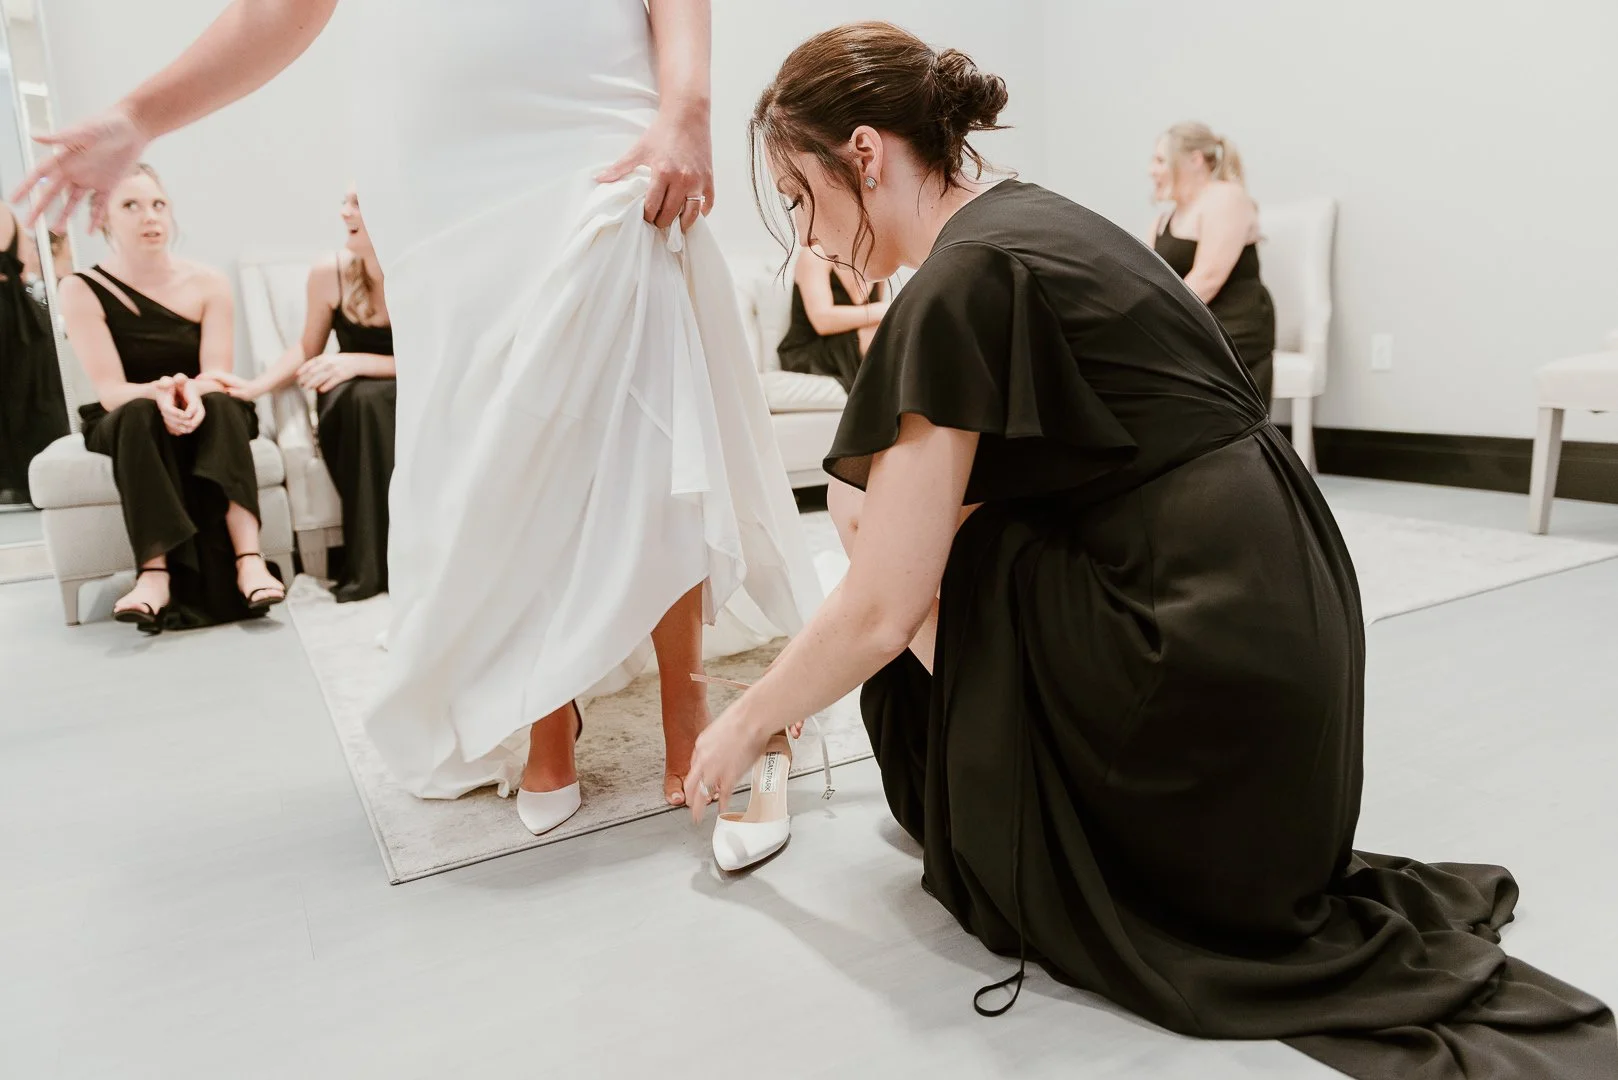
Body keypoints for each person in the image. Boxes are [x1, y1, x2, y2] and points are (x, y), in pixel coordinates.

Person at [682, 23, 1617, 1079]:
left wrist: (750, 719)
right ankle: (1040, 772)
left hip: (1202, 653)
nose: (804, 236)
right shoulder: (1029, 216)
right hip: (1279, 615)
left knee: (897, 540)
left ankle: (1045, 794)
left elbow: (884, 604)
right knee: (914, 513)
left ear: (864, 153)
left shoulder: (957, 279)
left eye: (799, 198)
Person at [16, 0, 818, 830]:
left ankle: (685, 707)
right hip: (441, 161)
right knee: (502, 434)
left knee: (651, 400)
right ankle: (546, 705)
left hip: (592, 104)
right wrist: (139, 115)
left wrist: (686, 107)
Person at [57, 164, 284, 631]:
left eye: (158, 204)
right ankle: (154, 573)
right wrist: (159, 393)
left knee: (223, 404)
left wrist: (192, 392)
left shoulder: (208, 283)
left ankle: (249, 560)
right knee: (140, 412)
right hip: (128, 408)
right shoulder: (80, 288)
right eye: (131, 206)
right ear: (103, 219)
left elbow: (216, 373)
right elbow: (111, 390)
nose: (150, 217)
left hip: (202, 398)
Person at [227, 188, 395, 603]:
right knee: (357, 399)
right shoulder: (329, 272)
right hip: (352, 400)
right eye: (345, 201)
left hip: (407, 386)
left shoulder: (423, 269)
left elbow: (441, 356)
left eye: (358, 203)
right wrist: (254, 386)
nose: (344, 213)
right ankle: (374, 562)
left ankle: (409, 555)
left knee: (372, 397)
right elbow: (307, 348)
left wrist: (360, 362)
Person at [1148, 122, 1276, 402]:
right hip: (1192, 322)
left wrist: (1155, 324)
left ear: (1195, 160)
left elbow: (1207, 279)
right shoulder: (1164, 220)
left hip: (1233, 324)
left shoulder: (1225, 197)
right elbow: (1146, 280)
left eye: (1160, 160)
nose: (1152, 170)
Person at [0, 203, 67, 507]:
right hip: (18, 314)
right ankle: (29, 481)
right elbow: (24, 263)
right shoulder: (8, 214)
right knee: (29, 396)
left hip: (15, 316)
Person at [775, 252, 888, 392]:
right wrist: (883, 310)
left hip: (853, 344)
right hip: (811, 349)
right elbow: (822, 321)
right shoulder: (815, 254)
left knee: (891, 333)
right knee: (883, 336)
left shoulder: (875, 259)